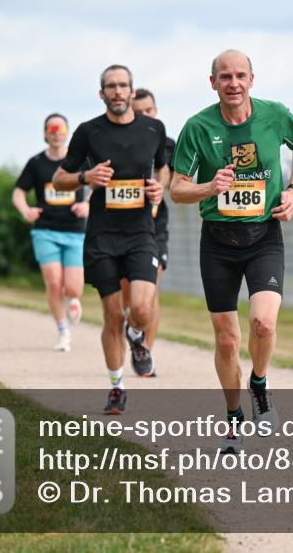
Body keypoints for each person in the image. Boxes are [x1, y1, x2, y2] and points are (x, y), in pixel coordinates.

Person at [170, 50, 293, 452]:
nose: (233, 83)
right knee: (228, 340)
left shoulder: (274, 115)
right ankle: (233, 418)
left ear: (252, 79)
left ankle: (260, 384)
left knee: (263, 324)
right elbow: (177, 189)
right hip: (217, 241)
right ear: (212, 82)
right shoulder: (198, 127)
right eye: (225, 77)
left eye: (240, 76)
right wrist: (209, 187)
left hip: (264, 235)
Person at [52, 65, 169, 414]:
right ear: (101, 93)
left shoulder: (154, 128)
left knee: (143, 309)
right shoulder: (89, 132)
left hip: (140, 233)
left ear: (132, 91)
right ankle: (117, 386)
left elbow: (162, 168)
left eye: (123, 86)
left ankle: (138, 337)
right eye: (111, 87)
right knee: (112, 315)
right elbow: (60, 178)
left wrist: (157, 189)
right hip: (102, 236)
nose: (118, 92)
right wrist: (85, 177)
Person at [13, 113, 89, 351]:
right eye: (51, 128)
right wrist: (25, 210)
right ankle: (63, 331)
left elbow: (98, 183)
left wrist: (87, 204)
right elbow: (18, 192)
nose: (56, 132)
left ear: (67, 133)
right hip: (45, 230)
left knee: (74, 288)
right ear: (45, 134)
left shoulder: (78, 160)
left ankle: (73, 300)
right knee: (54, 282)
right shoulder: (36, 163)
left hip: (75, 231)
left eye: (60, 128)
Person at [119, 87, 175, 375]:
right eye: (138, 112)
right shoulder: (118, 141)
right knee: (129, 298)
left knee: (151, 292)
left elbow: (178, 179)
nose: (144, 116)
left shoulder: (167, 144)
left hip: (154, 228)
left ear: (156, 110)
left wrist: (162, 184)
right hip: (120, 227)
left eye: (149, 111)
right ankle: (133, 330)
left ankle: (145, 356)